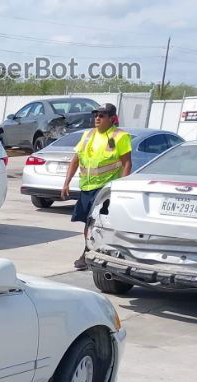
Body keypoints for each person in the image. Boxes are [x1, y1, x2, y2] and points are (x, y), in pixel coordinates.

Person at [61, 103, 131, 269]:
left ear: (112, 118)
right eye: (96, 115)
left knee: (95, 221)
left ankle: (88, 253)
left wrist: (122, 187)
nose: (97, 118)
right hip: (86, 187)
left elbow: (127, 163)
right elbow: (76, 159)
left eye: (102, 115)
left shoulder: (119, 137)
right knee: (87, 222)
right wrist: (66, 182)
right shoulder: (87, 135)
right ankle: (89, 250)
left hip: (105, 188)